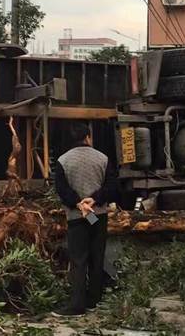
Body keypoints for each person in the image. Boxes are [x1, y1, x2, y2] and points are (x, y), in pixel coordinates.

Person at [53, 122, 117, 316]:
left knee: (78, 259)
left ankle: (77, 304)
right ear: (88, 137)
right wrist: (94, 199)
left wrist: (79, 204)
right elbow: (113, 187)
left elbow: (62, 190)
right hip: (96, 216)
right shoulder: (103, 158)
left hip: (77, 216)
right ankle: (93, 300)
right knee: (96, 256)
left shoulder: (63, 161)